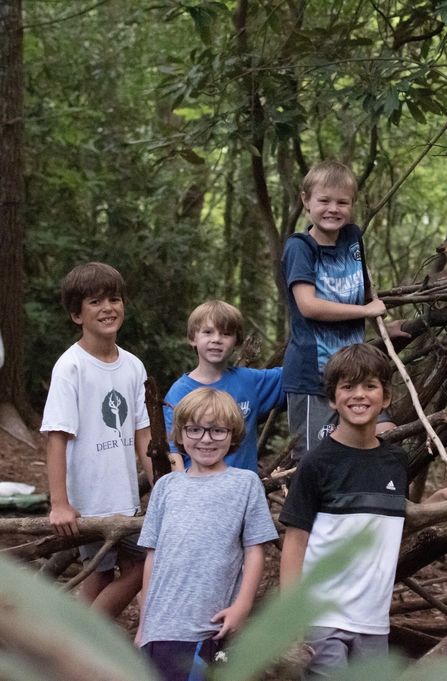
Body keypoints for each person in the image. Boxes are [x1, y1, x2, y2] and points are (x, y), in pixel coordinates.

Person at [279, 344, 447, 678]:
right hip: (321, 617)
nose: (359, 395)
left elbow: (388, 524)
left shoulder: (394, 461)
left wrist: (439, 499)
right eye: (347, 387)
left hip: (373, 619)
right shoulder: (316, 464)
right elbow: (295, 544)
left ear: (387, 397)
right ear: (332, 399)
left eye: (369, 386)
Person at [137, 388, 278, 681]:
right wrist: (144, 621)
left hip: (208, 625)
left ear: (232, 434)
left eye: (216, 431)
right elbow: (152, 554)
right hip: (160, 626)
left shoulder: (245, 484)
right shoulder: (166, 487)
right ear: (181, 433)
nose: (205, 439)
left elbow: (254, 550)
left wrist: (242, 605)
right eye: (195, 430)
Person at [41, 262, 153, 618]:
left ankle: (74, 646)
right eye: (95, 301)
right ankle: (84, 646)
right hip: (89, 499)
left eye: (114, 299)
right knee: (107, 572)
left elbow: (144, 437)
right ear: (77, 314)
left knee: (134, 568)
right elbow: (57, 437)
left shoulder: (133, 366)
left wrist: (163, 487)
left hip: (126, 497)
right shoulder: (70, 367)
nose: (108, 307)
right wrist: (60, 503)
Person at [281, 160, 407, 460]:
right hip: (314, 374)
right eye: (324, 201)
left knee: (385, 439)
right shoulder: (300, 248)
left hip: (356, 371)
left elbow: (364, 295)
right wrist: (366, 313)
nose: (332, 209)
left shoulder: (353, 238)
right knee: (317, 460)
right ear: (306, 201)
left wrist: (381, 331)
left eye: (342, 202)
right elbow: (308, 306)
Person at [164, 300, 284, 472]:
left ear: (237, 342)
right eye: (207, 332)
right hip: (199, 491)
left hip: (243, 491)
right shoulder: (179, 392)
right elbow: (173, 450)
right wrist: (181, 488)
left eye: (226, 334)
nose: (216, 340)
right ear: (193, 338)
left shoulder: (250, 381)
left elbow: (296, 374)